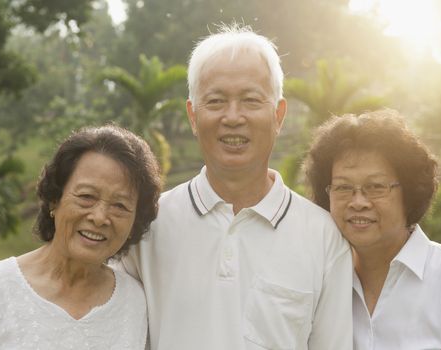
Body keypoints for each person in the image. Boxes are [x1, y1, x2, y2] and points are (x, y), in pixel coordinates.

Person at [118, 24, 353, 350]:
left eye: (250, 100)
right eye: (215, 101)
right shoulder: (145, 226)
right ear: (192, 115)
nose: (233, 117)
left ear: (278, 114)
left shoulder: (324, 237)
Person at [305, 109, 441, 350]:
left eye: (375, 186)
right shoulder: (319, 283)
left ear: (409, 191)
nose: (358, 202)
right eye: (343, 188)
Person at [0, 125, 161, 349]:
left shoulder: (135, 303)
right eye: (87, 196)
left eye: (120, 205)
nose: (99, 218)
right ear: (54, 199)